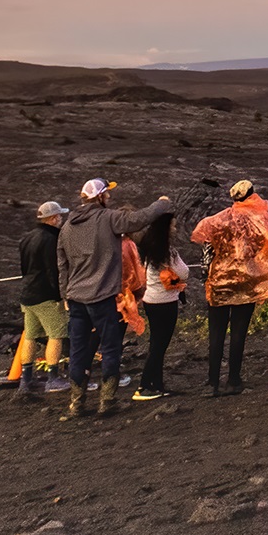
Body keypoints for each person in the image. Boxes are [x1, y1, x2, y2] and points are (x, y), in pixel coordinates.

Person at [55, 178, 176, 419]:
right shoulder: (107, 219)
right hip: (102, 297)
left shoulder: (67, 228)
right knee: (110, 349)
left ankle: (76, 404)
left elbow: (62, 263)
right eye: (107, 195)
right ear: (99, 197)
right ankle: (106, 402)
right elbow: (139, 219)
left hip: (77, 299)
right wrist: (161, 204)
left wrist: (64, 294)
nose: (109, 198)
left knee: (79, 351)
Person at [190, 179, 268, 396]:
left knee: (216, 334)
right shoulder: (263, 221)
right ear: (252, 194)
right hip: (246, 285)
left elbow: (207, 254)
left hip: (219, 284)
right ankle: (234, 380)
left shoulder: (216, 221)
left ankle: (212, 383)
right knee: (238, 333)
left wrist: (206, 280)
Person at [14, 201, 72, 395]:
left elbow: (24, 268)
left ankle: (26, 379)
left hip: (27, 294)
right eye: (60, 217)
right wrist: (60, 297)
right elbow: (53, 271)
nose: (61, 220)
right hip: (46, 296)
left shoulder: (26, 238)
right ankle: (53, 378)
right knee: (56, 335)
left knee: (30, 336)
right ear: (53, 219)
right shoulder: (51, 240)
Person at [131, 209, 189, 402]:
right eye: (172, 225)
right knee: (159, 346)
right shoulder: (167, 251)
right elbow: (183, 272)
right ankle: (144, 386)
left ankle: (157, 385)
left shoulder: (148, 248)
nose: (175, 228)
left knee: (156, 344)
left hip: (151, 300)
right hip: (165, 301)